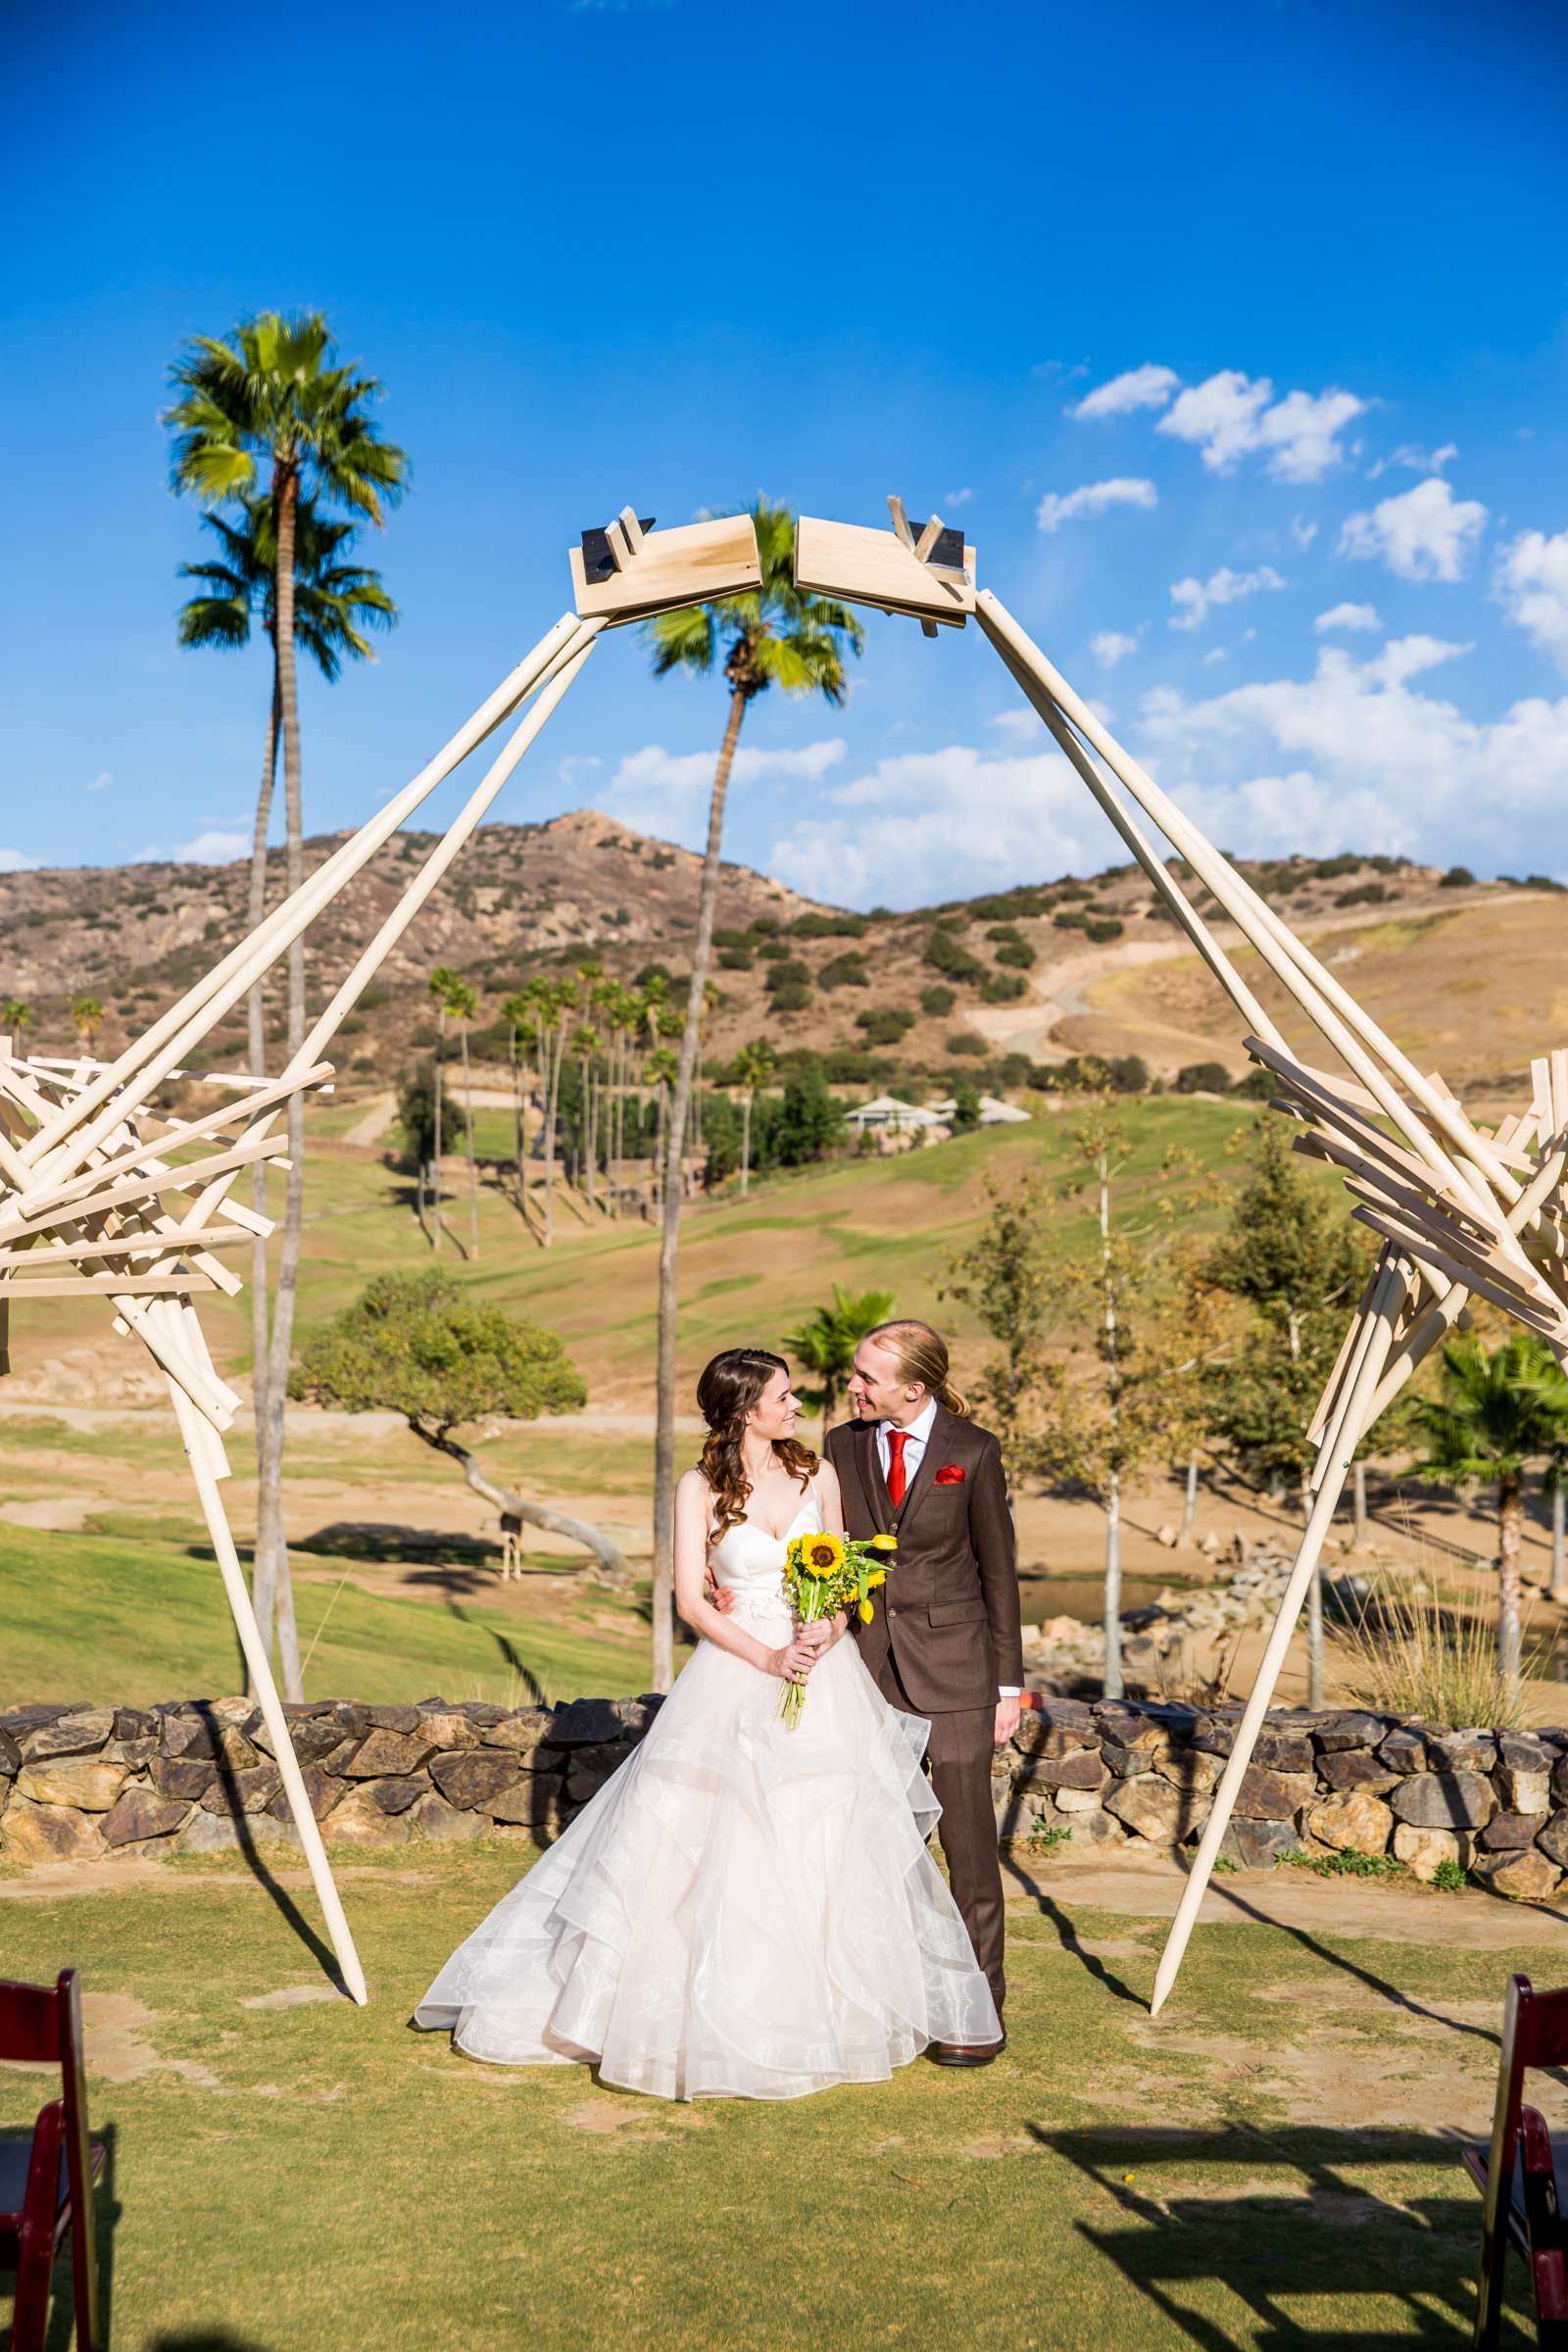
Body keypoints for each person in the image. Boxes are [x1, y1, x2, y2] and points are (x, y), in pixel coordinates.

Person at [412, 1346, 1000, 2100]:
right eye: (782, 1396)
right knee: (709, 1838)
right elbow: (692, 1601)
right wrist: (767, 1656)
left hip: (825, 1677)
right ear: (745, 1408)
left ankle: (829, 2008)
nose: (795, 1405)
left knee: (823, 1831)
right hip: (739, 1669)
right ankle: (689, 2012)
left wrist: (829, 1628)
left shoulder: (819, 1473)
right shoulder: (698, 1488)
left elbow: (851, 1574)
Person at [822, 1319, 1022, 2054]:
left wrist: (1009, 1686)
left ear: (913, 1388)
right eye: (855, 1374)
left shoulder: (973, 1452)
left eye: (866, 1378)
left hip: (961, 1673)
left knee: (968, 1848)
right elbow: (828, 1547)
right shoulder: (842, 1446)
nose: (853, 1387)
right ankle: (892, 2001)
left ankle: (979, 2016)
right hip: (869, 1672)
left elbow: (998, 1571)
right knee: (877, 1847)